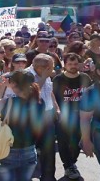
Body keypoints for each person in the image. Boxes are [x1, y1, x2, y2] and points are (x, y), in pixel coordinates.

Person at [0, 70, 44, 181]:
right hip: (30, 152)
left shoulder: (7, 102)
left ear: (14, 84)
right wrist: (10, 86)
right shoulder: (39, 101)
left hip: (6, 152)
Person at [53, 53, 93, 179]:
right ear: (65, 64)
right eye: (70, 64)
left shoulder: (85, 77)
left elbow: (92, 94)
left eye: (75, 64)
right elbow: (52, 97)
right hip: (63, 117)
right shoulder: (58, 79)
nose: (73, 66)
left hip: (82, 116)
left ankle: (71, 164)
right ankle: (68, 166)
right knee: (63, 142)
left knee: (77, 143)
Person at [28, 53, 60, 181]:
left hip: (47, 116)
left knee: (49, 149)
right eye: (52, 67)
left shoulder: (46, 75)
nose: (54, 69)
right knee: (30, 149)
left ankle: (48, 177)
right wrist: (44, 77)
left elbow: (49, 90)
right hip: (32, 118)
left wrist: (56, 107)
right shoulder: (26, 75)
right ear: (43, 68)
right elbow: (32, 95)